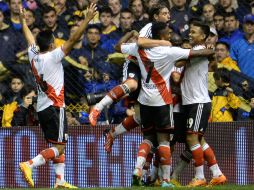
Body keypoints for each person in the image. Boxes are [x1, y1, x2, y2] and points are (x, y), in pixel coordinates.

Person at [117, 21, 215, 187]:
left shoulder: (139, 48)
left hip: (145, 100)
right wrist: (210, 50)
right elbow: (188, 62)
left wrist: (130, 33)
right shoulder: (170, 51)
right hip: (164, 102)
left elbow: (118, 46)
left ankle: (142, 170)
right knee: (165, 141)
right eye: (168, 33)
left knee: (149, 138)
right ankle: (165, 180)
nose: (170, 35)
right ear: (162, 35)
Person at [18, 3, 97, 188]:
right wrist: (87, 19)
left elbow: (29, 38)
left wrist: (23, 21)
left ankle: (60, 181)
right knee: (60, 146)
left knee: (58, 143)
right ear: (52, 44)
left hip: (43, 108)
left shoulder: (33, 55)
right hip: (55, 107)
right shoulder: (53, 56)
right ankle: (29, 164)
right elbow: (73, 38)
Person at [89, 5, 171, 127]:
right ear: (155, 17)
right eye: (164, 13)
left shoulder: (167, 30)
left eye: (168, 13)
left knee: (140, 116)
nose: (168, 16)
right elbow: (141, 42)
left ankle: (113, 134)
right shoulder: (150, 27)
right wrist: (163, 43)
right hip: (135, 64)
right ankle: (98, 107)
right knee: (132, 85)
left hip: (150, 71)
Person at [180, 21, 227, 187]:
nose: (190, 34)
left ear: (203, 37)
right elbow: (212, 64)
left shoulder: (199, 51)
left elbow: (179, 62)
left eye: (194, 32)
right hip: (193, 102)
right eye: (190, 32)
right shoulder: (199, 51)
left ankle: (199, 176)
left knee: (191, 138)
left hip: (198, 102)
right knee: (199, 140)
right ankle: (217, 173)